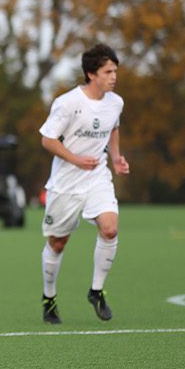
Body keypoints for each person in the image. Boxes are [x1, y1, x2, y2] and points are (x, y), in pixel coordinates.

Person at [38, 43, 130, 325]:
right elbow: (47, 140)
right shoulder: (68, 103)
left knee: (110, 228)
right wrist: (75, 159)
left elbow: (113, 127)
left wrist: (115, 159)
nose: (113, 76)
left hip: (96, 177)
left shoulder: (116, 102)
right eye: (108, 71)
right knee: (58, 242)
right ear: (92, 74)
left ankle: (96, 291)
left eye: (115, 70)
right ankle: (49, 296)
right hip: (66, 182)